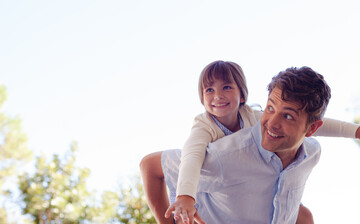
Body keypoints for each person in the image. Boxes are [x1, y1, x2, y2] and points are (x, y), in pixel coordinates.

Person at [140, 63, 360, 224]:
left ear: (242, 95)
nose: (218, 96)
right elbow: (186, 158)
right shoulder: (211, 140)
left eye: (226, 87)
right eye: (209, 90)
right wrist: (185, 197)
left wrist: (355, 131)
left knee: (304, 216)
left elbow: (320, 124)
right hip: (206, 198)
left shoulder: (259, 121)